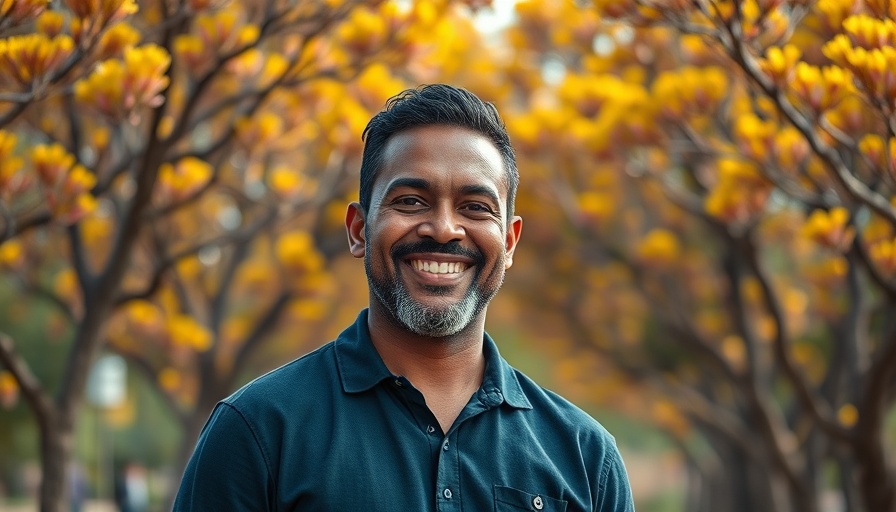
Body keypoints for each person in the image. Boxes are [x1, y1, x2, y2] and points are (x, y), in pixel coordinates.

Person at [173, 84, 635, 511]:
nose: (444, 229)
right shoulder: (258, 431)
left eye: (476, 207)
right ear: (359, 229)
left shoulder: (586, 457)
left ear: (509, 243)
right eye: (411, 201)